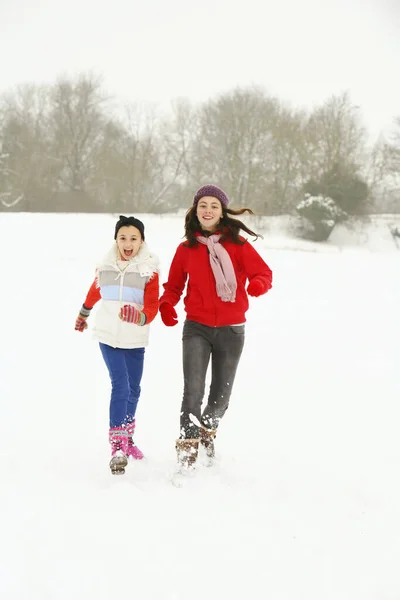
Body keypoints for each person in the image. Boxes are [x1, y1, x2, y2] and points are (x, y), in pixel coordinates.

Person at [158, 184, 272, 471]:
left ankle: (208, 430)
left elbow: (263, 273)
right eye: (202, 205)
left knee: (221, 396)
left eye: (214, 206)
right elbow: (173, 286)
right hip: (196, 327)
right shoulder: (185, 249)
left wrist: (257, 285)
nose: (207, 210)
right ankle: (187, 447)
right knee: (192, 390)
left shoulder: (239, 245)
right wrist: (166, 304)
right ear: (195, 211)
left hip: (232, 330)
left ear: (222, 213)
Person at [75, 215, 159, 475]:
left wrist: (141, 316)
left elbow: (153, 304)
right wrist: (83, 314)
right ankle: (117, 447)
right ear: (116, 240)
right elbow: (94, 290)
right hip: (108, 335)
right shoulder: (105, 266)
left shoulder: (149, 269)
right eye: (123, 237)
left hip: (135, 338)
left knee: (134, 389)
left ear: (141, 241)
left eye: (133, 238)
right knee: (120, 385)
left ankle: (128, 438)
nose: (128, 243)